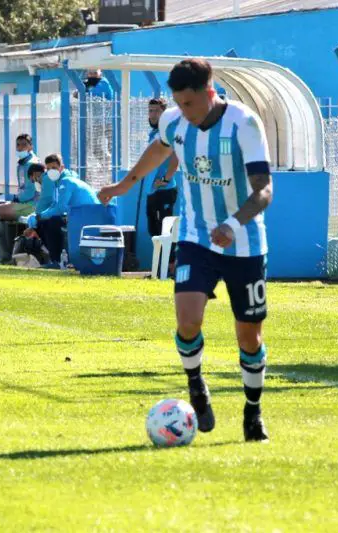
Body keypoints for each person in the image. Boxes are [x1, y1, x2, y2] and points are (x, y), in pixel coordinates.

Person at [99, 58, 273, 442]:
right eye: (179, 103)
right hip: (197, 237)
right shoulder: (175, 121)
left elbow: (263, 189)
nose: (185, 111)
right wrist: (125, 184)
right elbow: (159, 151)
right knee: (188, 320)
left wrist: (233, 223)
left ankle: (252, 411)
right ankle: (196, 384)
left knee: (249, 338)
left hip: (244, 242)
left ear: (210, 93)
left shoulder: (243, 124)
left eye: (191, 103)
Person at [25, 154, 100, 265]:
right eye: (48, 169)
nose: (51, 171)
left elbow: (61, 208)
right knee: (44, 222)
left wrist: (40, 216)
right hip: (80, 216)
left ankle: (57, 260)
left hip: (88, 218)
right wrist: (39, 216)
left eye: (54, 168)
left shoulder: (66, 182)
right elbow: (55, 205)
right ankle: (56, 259)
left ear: (62, 168)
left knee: (51, 222)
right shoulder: (59, 183)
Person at [0, 133, 40, 263]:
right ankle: (4, 255)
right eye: (18, 145)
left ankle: (3, 255)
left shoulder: (32, 164)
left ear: (31, 146)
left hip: (31, 205)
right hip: (26, 203)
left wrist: (13, 198)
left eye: (24, 145)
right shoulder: (23, 163)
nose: (20, 148)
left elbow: (30, 192)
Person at [144, 97, 179, 238]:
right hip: (152, 189)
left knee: (165, 231)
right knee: (153, 231)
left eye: (156, 111)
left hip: (165, 189)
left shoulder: (169, 132)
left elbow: (176, 157)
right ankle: (158, 261)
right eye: (150, 111)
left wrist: (165, 179)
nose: (152, 114)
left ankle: (170, 261)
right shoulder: (153, 133)